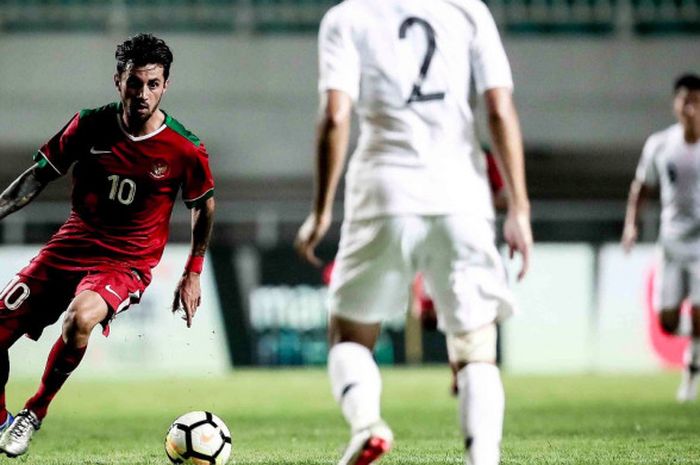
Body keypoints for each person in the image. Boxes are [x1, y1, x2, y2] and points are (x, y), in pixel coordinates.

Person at [295, 0, 532, 464]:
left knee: (348, 336)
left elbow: (335, 117)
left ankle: (367, 423)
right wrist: (519, 208)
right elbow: (499, 109)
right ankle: (483, 457)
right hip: (460, 192)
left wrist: (321, 210)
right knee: (475, 346)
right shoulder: (468, 10)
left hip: (384, 191)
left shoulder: (347, 17)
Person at [0, 33, 215, 456]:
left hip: (125, 262)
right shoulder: (89, 124)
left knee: (80, 319)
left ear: (166, 85)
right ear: (118, 79)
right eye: (135, 82)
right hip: (70, 245)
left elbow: (204, 206)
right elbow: (38, 176)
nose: (143, 93)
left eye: (153, 84)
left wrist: (192, 271)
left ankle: (34, 412)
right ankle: (2, 423)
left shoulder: (184, 148)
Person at [622, 73, 700, 403]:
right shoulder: (660, 145)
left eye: (696, 101)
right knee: (668, 322)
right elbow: (641, 187)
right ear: (675, 104)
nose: (691, 107)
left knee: (698, 313)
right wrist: (630, 225)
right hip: (670, 242)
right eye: (685, 100)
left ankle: (690, 373)